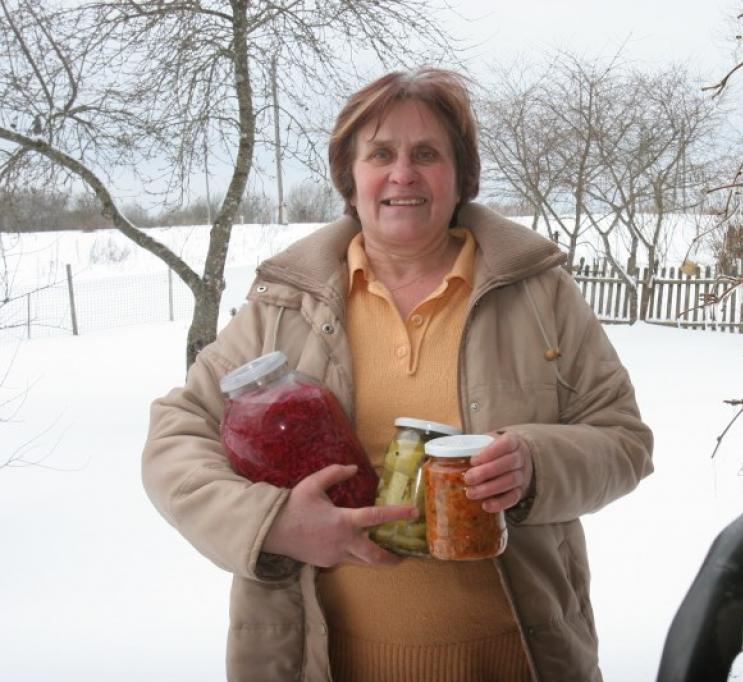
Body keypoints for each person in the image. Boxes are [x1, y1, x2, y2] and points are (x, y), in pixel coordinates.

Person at [142, 67, 653, 682]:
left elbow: (624, 440)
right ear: (349, 177)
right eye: (380, 153)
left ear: (462, 176)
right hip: (323, 663)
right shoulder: (284, 305)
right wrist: (272, 523)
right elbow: (175, 436)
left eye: (427, 154)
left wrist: (535, 465)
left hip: (517, 660)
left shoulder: (539, 296)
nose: (402, 174)